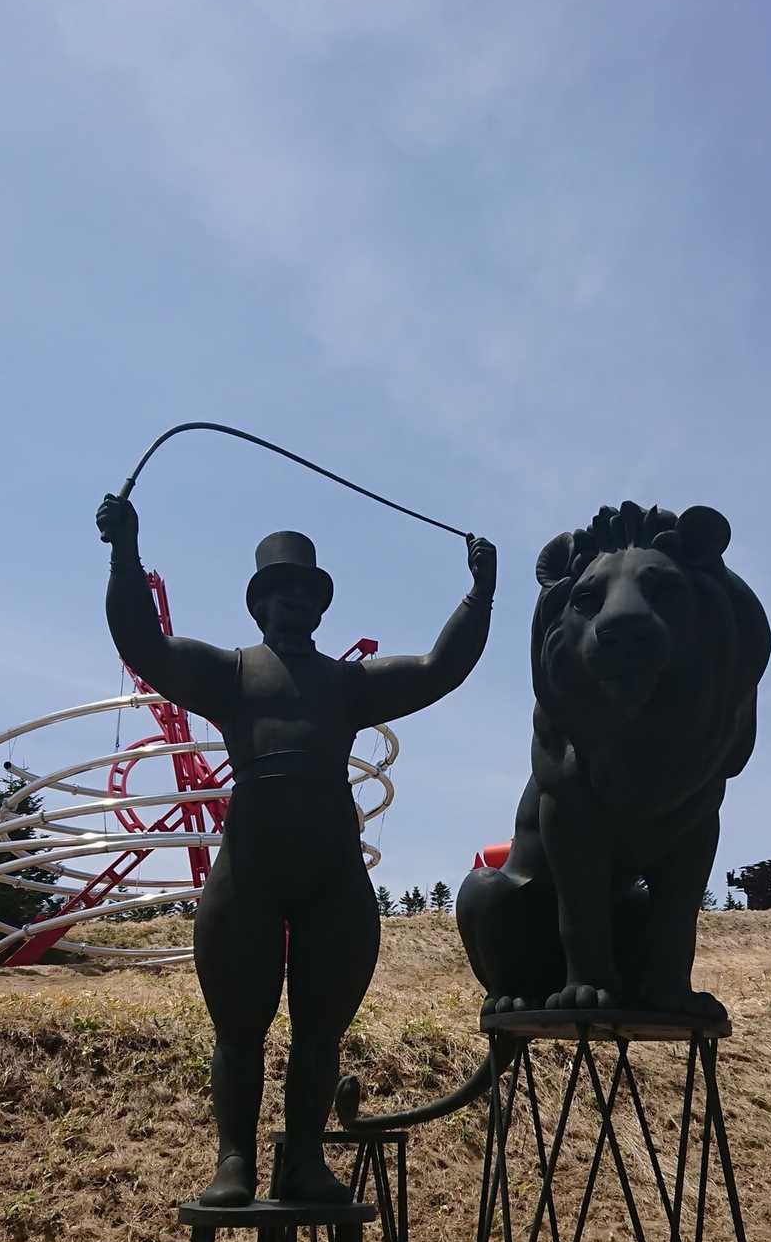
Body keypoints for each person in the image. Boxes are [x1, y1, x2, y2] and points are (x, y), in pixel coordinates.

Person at [97, 491, 496, 1205]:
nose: (295, 599)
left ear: (321, 606)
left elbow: (439, 668)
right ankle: (234, 1161)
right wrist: (125, 555)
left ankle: (304, 1161)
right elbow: (144, 646)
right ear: (258, 605)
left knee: (320, 1032)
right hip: (249, 868)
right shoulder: (231, 672)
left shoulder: (347, 684)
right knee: (237, 1029)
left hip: (330, 873)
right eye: (281, 589)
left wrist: (479, 595)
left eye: (307, 590)